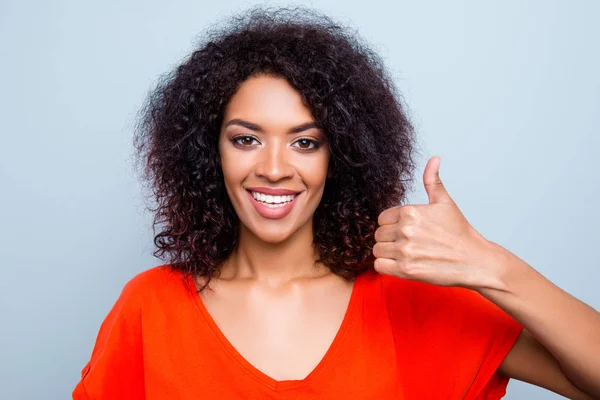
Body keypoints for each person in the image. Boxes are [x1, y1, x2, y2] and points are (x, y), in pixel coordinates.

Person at [72, 5, 600, 400]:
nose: (275, 167)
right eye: (246, 138)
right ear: (208, 152)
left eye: (306, 141)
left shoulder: (412, 301)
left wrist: (489, 265)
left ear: (340, 156)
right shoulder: (149, 308)